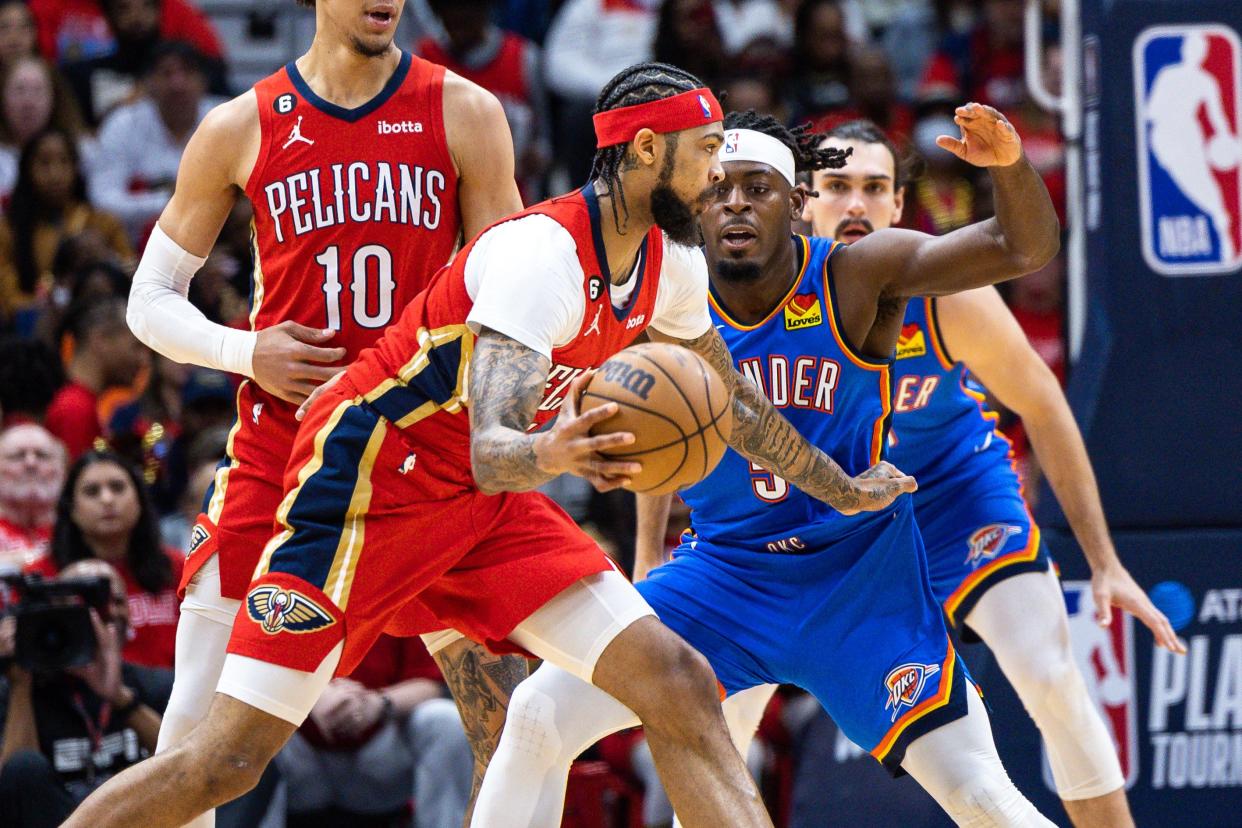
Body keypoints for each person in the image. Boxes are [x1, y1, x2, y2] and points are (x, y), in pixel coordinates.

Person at [67, 60, 912, 828]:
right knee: (223, 761)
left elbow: (735, 405)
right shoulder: (540, 255)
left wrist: (841, 487)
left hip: (480, 504)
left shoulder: (671, 263)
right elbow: (493, 447)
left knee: (679, 681)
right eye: (704, 155)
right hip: (368, 478)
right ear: (648, 152)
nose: (718, 178)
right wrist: (565, 452)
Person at [470, 105, 1063, 828]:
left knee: (980, 794)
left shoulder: (857, 275)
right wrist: (647, 549)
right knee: (537, 714)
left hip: (860, 583)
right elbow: (659, 444)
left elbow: (1020, 246)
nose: (736, 202)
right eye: (718, 188)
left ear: (798, 205)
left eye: (759, 187)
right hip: (726, 578)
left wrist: (1008, 166)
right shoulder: (660, 292)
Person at [120, 0, 529, 824]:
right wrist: (247, 349)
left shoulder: (467, 110)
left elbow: (518, 298)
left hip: (419, 456)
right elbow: (147, 300)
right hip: (283, 453)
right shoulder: (240, 123)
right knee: (194, 738)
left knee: (513, 723)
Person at [799, 119, 1183, 827]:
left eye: (875, 188)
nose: (855, 203)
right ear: (804, 201)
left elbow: (1043, 404)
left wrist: (1104, 562)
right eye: (838, 186)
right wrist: (647, 555)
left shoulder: (945, 296)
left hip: (954, 494)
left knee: (1046, 671)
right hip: (834, 519)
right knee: (718, 701)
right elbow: (700, 419)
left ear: (896, 208)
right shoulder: (765, 296)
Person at [0, 558, 169, 828]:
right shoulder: (17, 688)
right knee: (25, 765)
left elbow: (189, 764)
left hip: (139, 819)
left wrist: (120, 698)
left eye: (116, 602)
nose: (105, 614)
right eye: (85, 606)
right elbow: (15, 789)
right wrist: (21, 685)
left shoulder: (155, 683)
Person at [276, 634, 475, 827]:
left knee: (444, 719)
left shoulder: (401, 601)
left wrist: (377, 703)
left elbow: (432, 682)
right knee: (253, 718)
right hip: (300, 763)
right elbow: (250, 664)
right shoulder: (281, 600)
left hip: (380, 759)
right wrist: (312, 695)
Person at [27, 450, 182, 669]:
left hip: (165, 697)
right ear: (71, 508)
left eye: (118, 488)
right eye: (92, 492)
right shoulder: (42, 576)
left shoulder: (179, 568)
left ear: (139, 501)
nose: (107, 499)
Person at [88, 41, 221, 242]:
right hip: (136, 250)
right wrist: (170, 202)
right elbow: (102, 199)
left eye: (187, 72)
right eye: (166, 73)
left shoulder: (226, 119)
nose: (178, 84)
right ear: (148, 82)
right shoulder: (122, 124)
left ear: (203, 80)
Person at [0, 127, 132, 321]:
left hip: (101, 320)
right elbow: (10, 300)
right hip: (38, 326)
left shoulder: (104, 223)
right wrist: (49, 307)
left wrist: (104, 259)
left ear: (76, 168)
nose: (55, 174)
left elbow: (131, 278)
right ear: (26, 170)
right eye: (44, 163)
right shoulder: (8, 230)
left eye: (64, 162)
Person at [43, 298, 147, 460]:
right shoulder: (74, 409)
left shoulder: (81, 404)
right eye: (136, 346)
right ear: (101, 340)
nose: (143, 360)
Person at [0, 425, 66, 571]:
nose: (31, 464)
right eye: (17, 456)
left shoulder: (80, 529)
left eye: (42, 455)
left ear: (62, 470)